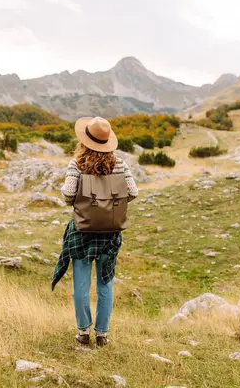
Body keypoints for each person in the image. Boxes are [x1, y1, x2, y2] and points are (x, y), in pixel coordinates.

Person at [51, 116, 138, 348]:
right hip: (109, 233)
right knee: (105, 282)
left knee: (80, 283)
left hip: (82, 230)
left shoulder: (76, 164)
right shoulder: (120, 164)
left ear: (85, 141)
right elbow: (133, 192)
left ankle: (83, 332)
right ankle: (102, 335)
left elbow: (68, 195)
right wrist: (111, 203)